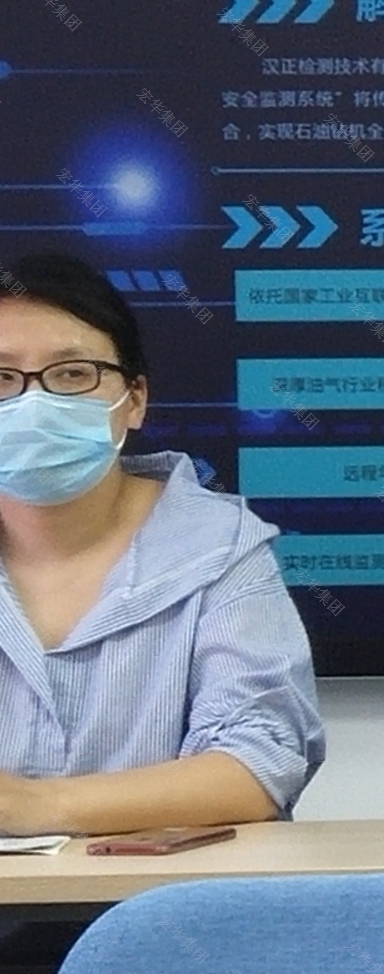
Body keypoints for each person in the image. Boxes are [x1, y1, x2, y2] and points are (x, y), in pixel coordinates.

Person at [0, 252, 322, 839]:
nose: (34, 403)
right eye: (2, 379)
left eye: (72, 374)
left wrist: (36, 806)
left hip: (163, 894)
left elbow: (256, 765)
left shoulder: (220, 548)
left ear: (135, 400)